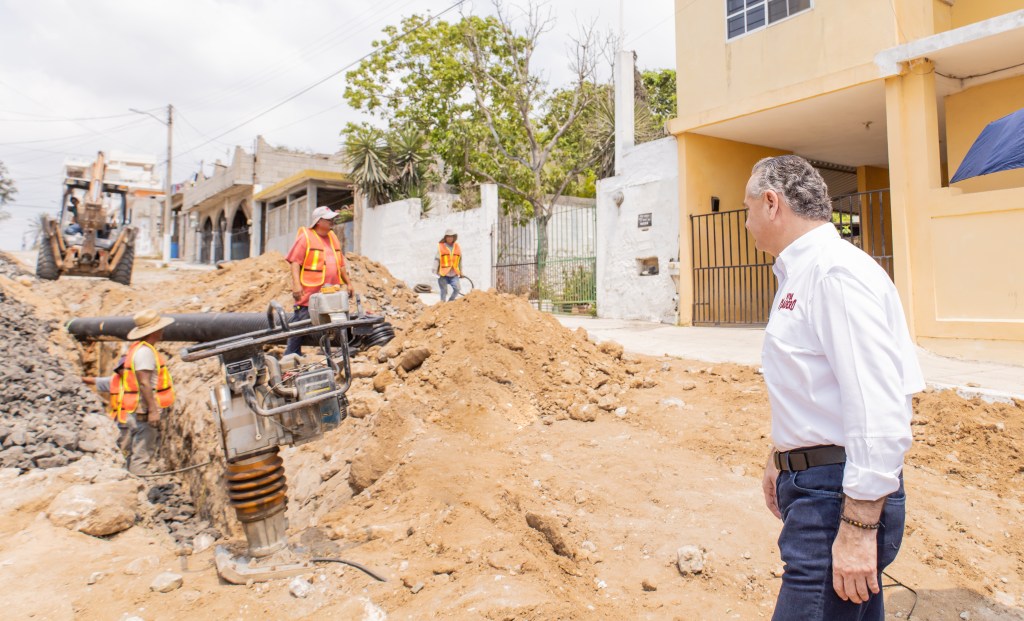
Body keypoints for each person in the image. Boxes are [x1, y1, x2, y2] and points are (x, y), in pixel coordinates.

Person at [744, 155, 923, 620]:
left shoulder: (834, 274)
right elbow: (817, 386)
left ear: (771, 203)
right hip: (820, 484)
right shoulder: (805, 272)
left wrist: (859, 527)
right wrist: (782, 456)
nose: (745, 223)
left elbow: (877, 404)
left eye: (747, 209)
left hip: (836, 496)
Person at [284, 206, 354, 356]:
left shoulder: (333, 237)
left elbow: (340, 264)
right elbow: (295, 262)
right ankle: (291, 354)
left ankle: (338, 350)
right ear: (318, 221)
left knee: (336, 319)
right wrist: (296, 284)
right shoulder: (306, 237)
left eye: (332, 218)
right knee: (300, 323)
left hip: (330, 292)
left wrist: (348, 283)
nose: (332, 221)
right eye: (328, 219)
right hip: (309, 293)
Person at [116, 309, 176, 476]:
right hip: (142, 412)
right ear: (153, 331)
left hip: (135, 410)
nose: (162, 330)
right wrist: (153, 411)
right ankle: (137, 486)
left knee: (132, 452)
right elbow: (144, 383)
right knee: (141, 454)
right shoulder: (145, 352)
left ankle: (130, 481)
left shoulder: (138, 349)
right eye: (160, 327)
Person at [82, 355, 130, 456]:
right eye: (122, 368)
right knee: (118, 445)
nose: (124, 371)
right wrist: (78, 379)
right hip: (116, 419)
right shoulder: (114, 380)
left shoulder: (137, 382)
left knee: (126, 447)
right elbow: (95, 381)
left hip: (130, 420)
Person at [434, 229, 462, 302]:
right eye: (448, 236)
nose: (450, 238)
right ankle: (442, 304)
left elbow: (459, 260)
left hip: (454, 274)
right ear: (445, 238)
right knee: (444, 291)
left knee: (457, 289)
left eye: (451, 236)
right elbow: (437, 259)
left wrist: (461, 271)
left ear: (454, 237)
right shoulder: (441, 247)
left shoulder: (457, 247)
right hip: (443, 274)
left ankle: (450, 301)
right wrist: (434, 270)